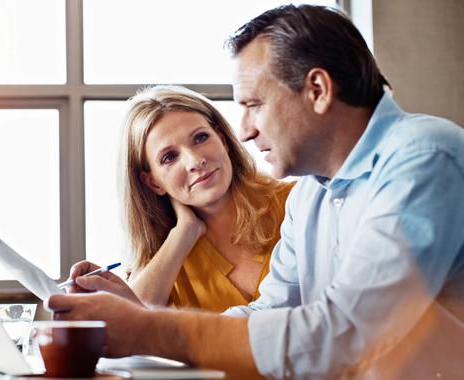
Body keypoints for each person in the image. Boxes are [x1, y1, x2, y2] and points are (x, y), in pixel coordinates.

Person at [48, 5, 464, 379]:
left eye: (253, 105)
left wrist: (146, 329)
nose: (244, 131)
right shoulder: (312, 195)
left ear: (317, 90)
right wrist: (135, 317)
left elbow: (346, 333)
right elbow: (269, 314)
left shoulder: (424, 158)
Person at [119, 85, 293, 312]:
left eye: (200, 138)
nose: (195, 161)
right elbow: (132, 323)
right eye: (169, 157)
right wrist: (185, 232)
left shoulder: (295, 202)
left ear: (221, 138)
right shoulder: (167, 263)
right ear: (153, 182)